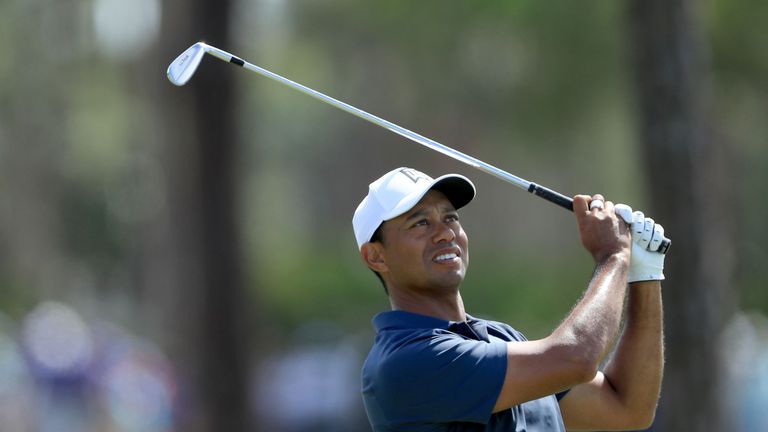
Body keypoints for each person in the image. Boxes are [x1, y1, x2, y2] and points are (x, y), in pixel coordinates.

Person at [352, 167, 666, 431]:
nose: (445, 233)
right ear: (376, 256)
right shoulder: (404, 362)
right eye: (421, 223)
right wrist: (614, 257)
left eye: (450, 218)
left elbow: (627, 407)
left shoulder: (501, 337)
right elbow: (576, 358)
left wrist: (644, 273)